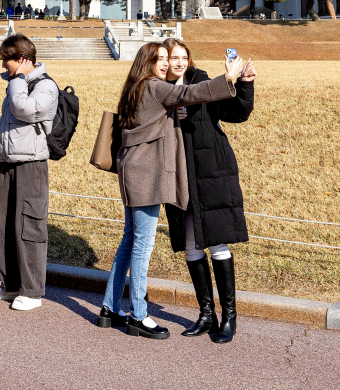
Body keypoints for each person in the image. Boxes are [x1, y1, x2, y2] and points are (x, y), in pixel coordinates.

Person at [98, 42, 246, 339]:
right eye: (161, 59)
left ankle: (109, 308)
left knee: (129, 241)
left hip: (133, 172)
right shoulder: (155, 87)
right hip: (147, 177)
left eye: (171, 59)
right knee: (141, 246)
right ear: (147, 62)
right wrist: (228, 78)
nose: (167, 65)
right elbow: (189, 94)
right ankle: (138, 316)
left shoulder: (135, 86)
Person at [160, 37, 256, 344]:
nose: (178, 62)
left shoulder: (201, 81)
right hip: (178, 175)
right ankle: (205, 314)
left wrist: (245, 84)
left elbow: (236, 113)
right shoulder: (156, 88)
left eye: (183, 57)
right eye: (173, 57)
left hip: (210, 170)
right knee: (190, 246)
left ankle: (229, 317)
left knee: (217, 244)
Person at [0, 34, 59, 311]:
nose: (3, 66)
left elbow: (24, 110)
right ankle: (11, 285)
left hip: (32, 164)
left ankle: (32, 291)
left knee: (29, 227)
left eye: (6, 60)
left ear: (21, 59)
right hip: (8, 162)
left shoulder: (45, 86)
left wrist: (17, 81)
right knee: (2, 223)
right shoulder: (18, 84)